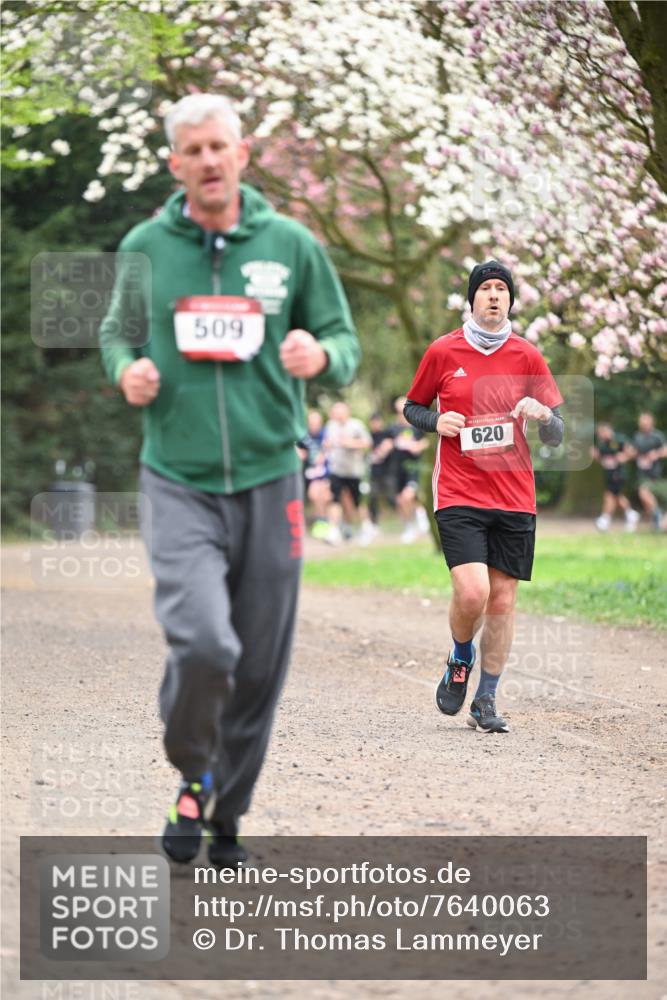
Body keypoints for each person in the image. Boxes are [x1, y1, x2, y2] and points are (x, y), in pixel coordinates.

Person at [100, 93, 359, 865]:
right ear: (175, 163)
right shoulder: (147, 244)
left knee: (258, 660)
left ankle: (225, 810)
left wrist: (322, 356)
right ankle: (193, 773)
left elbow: (341, 336)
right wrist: (127, 371)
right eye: (194, 150)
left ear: (242, 155)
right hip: (177, 478)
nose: (209, 160)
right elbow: (117, 331)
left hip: (270, 476)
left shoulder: (290, 245)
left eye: (221, 146)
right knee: (206, 642)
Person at [404, 260, 564, 733]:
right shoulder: (442, 351)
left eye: (501, 289)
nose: (494, 295)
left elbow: (557, 434)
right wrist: (437, 421)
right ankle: (459, 658)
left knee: (503, 601)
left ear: (510, 301)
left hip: (514, 495)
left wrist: (543, 414)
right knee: (473, 592)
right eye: (485, 289)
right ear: (471, 300)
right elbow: (412, 406)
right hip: (459, 489)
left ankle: (486, 698)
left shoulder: (527, 357)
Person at [323, 401, 375, 545]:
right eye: (335, 413)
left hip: (354, 471)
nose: (337, 416)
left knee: (357, 502)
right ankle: (333, 531)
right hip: (336, 470)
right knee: (334, 499)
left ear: (347, 412)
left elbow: (367, 443)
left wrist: (350, 443)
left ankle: (366, 526)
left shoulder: (356, 425)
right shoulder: (330, 426)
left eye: (340, 412)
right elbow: (327, 443)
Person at [389, 395, 430, 543]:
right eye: (399, 411)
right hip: (397, 468)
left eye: (403, 410)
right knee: (401, 500)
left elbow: (428, 440)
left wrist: (418, 446)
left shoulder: (417, 425)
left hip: (413, 467)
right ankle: (409, 527)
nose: (401, 414)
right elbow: (387, 443)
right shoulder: (393, 428)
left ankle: (421, 516)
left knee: (408, 496)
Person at [591, 421, 639, 532]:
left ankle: (604, 519)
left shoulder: (619, 439)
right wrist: (596, 456)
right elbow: (603, 460)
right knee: (615, 496)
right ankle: (630, 514)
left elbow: (632, 452)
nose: (600, 435)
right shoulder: (603, 444)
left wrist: (624, 457)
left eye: (601, 432)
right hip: (609, 473)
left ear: (608, 430)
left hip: (619, 473)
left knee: (609, 495)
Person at [627, 412, 666, 531]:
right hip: (642, 474)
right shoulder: (638, 436)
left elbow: (665, 451)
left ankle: (657, 521)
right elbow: (633, 452)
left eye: (646, 421)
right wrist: (631, 452)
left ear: (651, 422)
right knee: (643, 493)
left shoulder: (657, 436)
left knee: (646, 496)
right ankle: (657, 517)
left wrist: (656, 454)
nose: (643, 424)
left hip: (656, 474)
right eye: (641, 421)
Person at [297, 409, 332, 540]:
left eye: (316, 423)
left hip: (326, 472)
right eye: (311, 423)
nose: (314, 426)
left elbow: (329, 449)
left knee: (322, 496)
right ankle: (321, 521)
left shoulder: (326, 433)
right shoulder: (304, 436)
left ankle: (324, 522)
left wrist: (324, 452)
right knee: (314, 496)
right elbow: (299, 451)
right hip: (310, 473)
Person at [368, 412, 395, 528]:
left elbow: (390, 445)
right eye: (373, 422)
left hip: (388, 471)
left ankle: (408, 519)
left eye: (377, 421)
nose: (375, 424)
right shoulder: (368, 436)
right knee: (373, 496)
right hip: (374, 472)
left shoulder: (387, 433)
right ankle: (374, 523)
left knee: (392, 496)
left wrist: (382, 450)